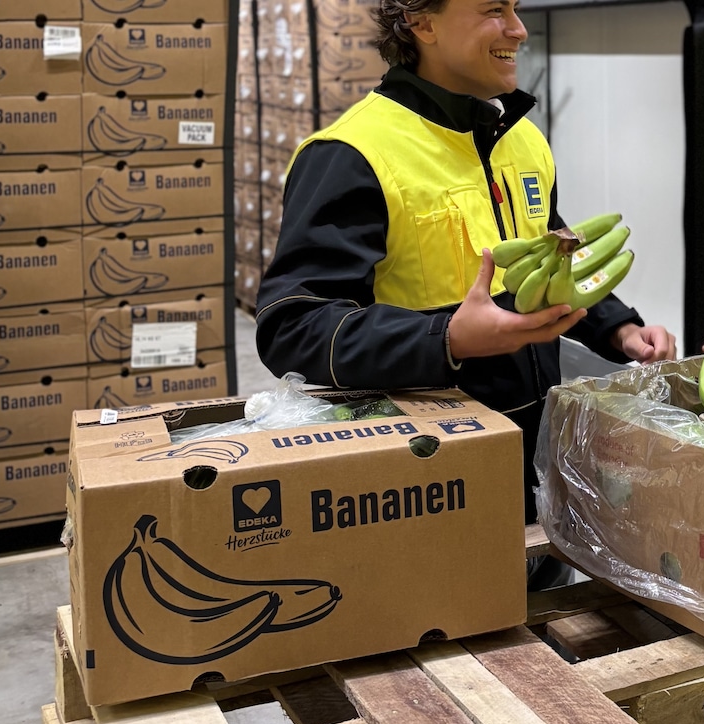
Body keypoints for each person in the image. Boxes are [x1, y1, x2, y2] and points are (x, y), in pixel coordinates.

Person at [256, 0, 677, 590]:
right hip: (422, 478)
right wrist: (446, 337)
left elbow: (544, 256)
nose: (518, 29)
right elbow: (291, 326)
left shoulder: (522, 141)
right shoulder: (352, 155)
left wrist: (615, 326)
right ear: (421, 23)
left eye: (517, 7)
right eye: (492, 10)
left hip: (532, 459)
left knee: (539, 636)